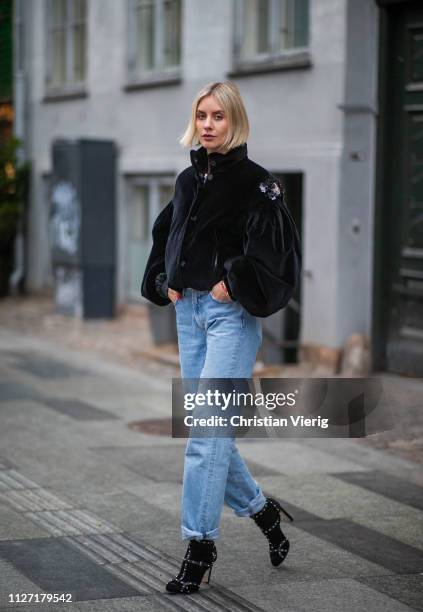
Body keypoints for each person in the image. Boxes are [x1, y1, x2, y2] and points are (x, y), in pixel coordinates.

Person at [141, 81, 301, 595]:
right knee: (211, 432)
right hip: (188, 314)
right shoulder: (189, 179)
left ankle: (200, 546)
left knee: (204, 436)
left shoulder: (258, 184)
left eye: (219, 117)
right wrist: (164, 281)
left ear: (236, 121)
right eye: (202, 115)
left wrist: (232, 283)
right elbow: (168, 233)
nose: (209, 124)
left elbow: (278, 254)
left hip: (229, 319)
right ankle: (264, 513)